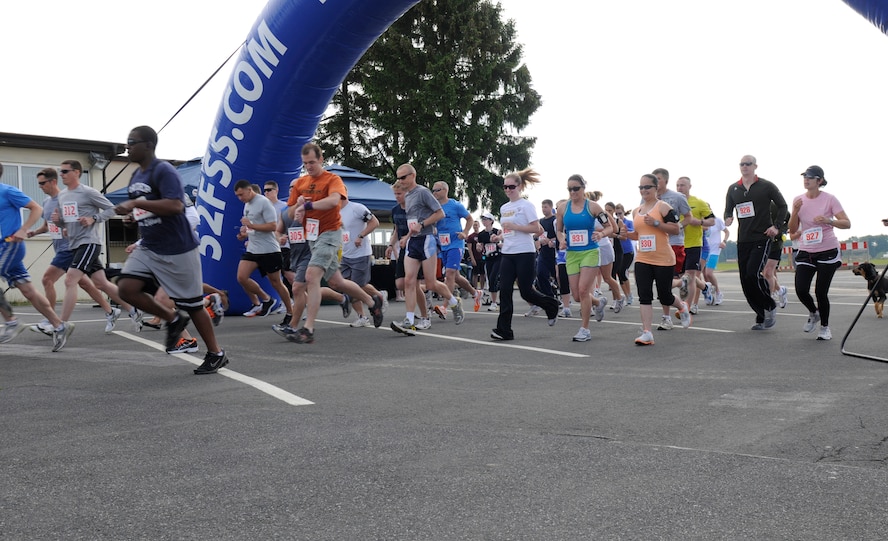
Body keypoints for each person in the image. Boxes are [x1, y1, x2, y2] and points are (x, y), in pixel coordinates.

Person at [113, 126, 228, 374]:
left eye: (132, 142)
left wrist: (135, 203)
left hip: (178, 248)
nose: (128, 146)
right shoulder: (136, 176)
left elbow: (176, 205)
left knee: (194, 304)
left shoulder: (163, 171)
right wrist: (134, 217)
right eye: (127, 142)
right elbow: (146, 209)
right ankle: (173, 318)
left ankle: (216, 353)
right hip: (150, 247)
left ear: (148, 145)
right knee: (126, 288)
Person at [286, 143, 384, 343]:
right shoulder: (300, 183)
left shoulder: (332, 179)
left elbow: (333, 202)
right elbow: (288, 213)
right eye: (305, 164)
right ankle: (371, 301)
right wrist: (297, 207)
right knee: (336, 282)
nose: (309, 167)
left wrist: (308, 204)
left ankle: (308, 328)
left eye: (312, 162)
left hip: (331, 233)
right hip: (313, 236)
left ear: (321, 160)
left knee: (311, 276)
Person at [53, 160, 141, 339]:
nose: (61, 174)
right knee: (101, 283)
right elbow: (67, 220)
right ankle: (132, 309)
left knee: (70, 280)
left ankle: (61, 326)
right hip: (74, 244)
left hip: (89, 242)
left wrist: (93, 218)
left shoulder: (88, 192)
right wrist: (59, 222)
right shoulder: (62, 195)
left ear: (77, 172)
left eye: (65, 171)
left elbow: (111, 209)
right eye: (60, 171)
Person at [26, 168, 121, 335]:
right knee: (88, 283)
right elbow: (48, 226)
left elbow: (79, 221)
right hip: (63, 249)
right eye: (38, 184)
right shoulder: (47, 202)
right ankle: (111, 311)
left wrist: (73, 228)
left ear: (52, 181)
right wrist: (35, 232)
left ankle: (52, 320)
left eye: (42, 183)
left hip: (71, 248)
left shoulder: (67, 198)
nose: (40, 186)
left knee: (47, 279)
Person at [0, 162, 69, 349]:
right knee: (28, 291)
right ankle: (59, 325)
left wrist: (24, 229)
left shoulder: (7, 191)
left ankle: (11, 322)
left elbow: (36, 208)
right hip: (2, 247)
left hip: (10, 244)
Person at [390, 164, 465, 335]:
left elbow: (440, 213)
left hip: (427, 240)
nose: (400, 181)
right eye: (398, 177)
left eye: (403, 177)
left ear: (413, 175)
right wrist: (406, 237)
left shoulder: (423, 192)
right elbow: (413, 221)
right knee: (409, 281)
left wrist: (423, 224)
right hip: (413, 242)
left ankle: (454, 302)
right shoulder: (407, 196)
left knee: (430, 283)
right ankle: (409, 319)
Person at [489, 168, 559, 341]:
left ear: (519, 187)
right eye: (504, 187)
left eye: (511, 186)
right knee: (504, 290)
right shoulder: (504, 208)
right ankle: (504, 330)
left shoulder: (526, 205)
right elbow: (507, 230)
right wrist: (499, 236)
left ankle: (551, 305)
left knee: (526, 292)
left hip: (525, 253)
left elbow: (536, 228)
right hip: (507, 252)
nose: (507, 190)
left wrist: (517, 227)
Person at [724, 155, 788, 330]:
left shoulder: (766, 186)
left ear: (755, 166)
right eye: (742, 164)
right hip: (743, 239)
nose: (744, 167)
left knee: (753, 273)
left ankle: (770, 306)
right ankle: (761, 316)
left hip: (762, 237)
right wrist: (728, 218)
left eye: (748, 164)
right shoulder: (733, 189)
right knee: (745, 280)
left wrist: (776, 227)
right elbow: (728, 210)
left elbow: (783, 206)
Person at [787, 166, 850, 341]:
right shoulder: (798, 200)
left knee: (821, 292)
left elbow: (847, 223)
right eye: (804, 177)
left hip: (827, 250)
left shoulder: (829, 199)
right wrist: (795, 212)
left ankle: (825, 327)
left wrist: (829, 220)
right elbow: (792, 229)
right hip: (806, 249)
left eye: (810, 177)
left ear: (819, 181)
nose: (806, 180)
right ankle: (814, 313)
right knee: (800, 289)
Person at [628, 174, 692, 345]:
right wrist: (622, 234)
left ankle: (682, 306)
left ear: (656, 188)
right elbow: (637, 234)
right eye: (641, 187)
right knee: (644, 295)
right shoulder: (637, 211)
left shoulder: (663, 207)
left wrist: (656, 223)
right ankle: (647, 332)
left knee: (665, 296)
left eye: (647, 187)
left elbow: (675, 229)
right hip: (643, 258)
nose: (644, 191)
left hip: (663, 259)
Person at [555, 175, 610, 342]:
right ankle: (598, 303)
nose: (573, 192)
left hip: (590, 252)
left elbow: (610, 227)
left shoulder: (593, 207)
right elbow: (559, 230)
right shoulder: (563, 208)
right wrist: (562, 239)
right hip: (572, 254)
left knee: (584, 291)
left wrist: (600, 233)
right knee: (577, 296)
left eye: (576, 188)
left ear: (583, 188)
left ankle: (584, 329)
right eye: (569, 189)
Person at [233, 179, 292, 320]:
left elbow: (272, 226)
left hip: (269, 249)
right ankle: (266, 299)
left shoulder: (264, 203)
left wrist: (251, 226)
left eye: (241, 194)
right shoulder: (247, 205)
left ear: (249, 190)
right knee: (241, 277)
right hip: (253, 249)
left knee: (276, 282)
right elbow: (250, 226)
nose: (240, 198)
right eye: (237, 196)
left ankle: (290, 311)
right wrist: (244, 234)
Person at [430, 181, 482, 314]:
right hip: (443, 245)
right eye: (433, 190)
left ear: (445, 191)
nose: (434, 193)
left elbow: (469, 219)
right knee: (456, 276)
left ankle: (445, 307)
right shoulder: (433, 207)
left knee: (449, 274)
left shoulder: (455, 205)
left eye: (437, 190)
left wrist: (465, 232)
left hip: (455, 244)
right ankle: (475, 293)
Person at [652, 168, 691, 330]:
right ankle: (682, 282)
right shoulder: (647, 199)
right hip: (654, 245)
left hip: (674, 244)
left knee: (665, 284)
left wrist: (678, 227)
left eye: (658, 179)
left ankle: (666, 317)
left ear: (665, 181)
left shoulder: (677, 197)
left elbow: (688, 217)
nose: (654, 182)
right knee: (661, 284)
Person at [338, 199, 384, 327]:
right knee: (347, 287)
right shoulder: (334, 210)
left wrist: (361, 235)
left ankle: (378, 296)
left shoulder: (357, 208)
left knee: (358, 286)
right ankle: (362, 316)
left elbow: (374, 222)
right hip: (344, 254)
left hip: (360, 253)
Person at [674, 176, 715, 314]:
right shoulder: (671, 203)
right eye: (678, 185)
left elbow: (712, 221)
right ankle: (705, 287)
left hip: (694, 244)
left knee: (689, 276)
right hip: (677, 244)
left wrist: (699, 222)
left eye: (683, 185)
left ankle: (686, 307)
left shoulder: (699, 202)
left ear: (689, 186)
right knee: (682, 279)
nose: (680, 188)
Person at [526, 199, 558, 317]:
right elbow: (536, 235)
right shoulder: (540, 221)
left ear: (550, 207)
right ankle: (550, 298)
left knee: (557, 275)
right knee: (540, 274)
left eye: (545, 207)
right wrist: (536, 240)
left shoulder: (554, 220)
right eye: (542, 207)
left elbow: (560, 235)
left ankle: (564, 296)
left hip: (554, 253)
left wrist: (550, 241)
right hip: (543, 253)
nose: (543, 209)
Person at [477, 213, 502, 311]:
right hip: (488, 258)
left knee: (493, 277)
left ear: (491, 221)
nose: (484, 221)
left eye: (486, 219)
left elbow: (502, 241)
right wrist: (479, 248)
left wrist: (500, 243)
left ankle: (495, 301)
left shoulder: (497, 231)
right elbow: (480, 247)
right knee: (490, 279)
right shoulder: (481, 234)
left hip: (498, 257)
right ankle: (494, 302)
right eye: (483, 219)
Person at [703, 215, 729, 305]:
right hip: (703, 249)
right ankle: (708, 295)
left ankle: (718, 292)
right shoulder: (701, 220)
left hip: (715, 250)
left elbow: (727, 232)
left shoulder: (717, 220)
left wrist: (724, 241)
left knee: (708, 273)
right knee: (705, 275)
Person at [614, 203, 635, 305]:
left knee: (622, 271)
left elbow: (633, 232)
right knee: (619, 273)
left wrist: (625, 229)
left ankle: (630, 294)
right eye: (616, 214)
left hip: (628, 251)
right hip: (619, 251)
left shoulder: (628, 222)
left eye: (620, 213)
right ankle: (627, 295)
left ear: (623, 212)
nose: (618, 216)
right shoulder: (615, 222)